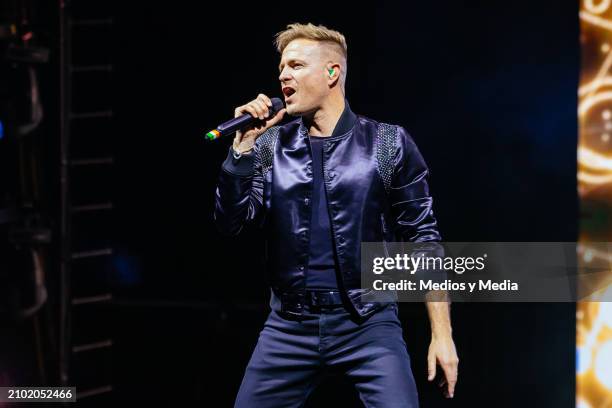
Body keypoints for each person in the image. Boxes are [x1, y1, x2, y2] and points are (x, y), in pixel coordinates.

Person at [214, 22, 458, 407]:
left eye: (295, 65)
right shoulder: (270, 145)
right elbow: (231, 224)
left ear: (332, 72)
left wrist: (442, 335)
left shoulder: (387, 142)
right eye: (281, 68)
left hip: (367, 322)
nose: (283, 75)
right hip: (288, 327)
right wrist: (241, 152)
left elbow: (423, 241)